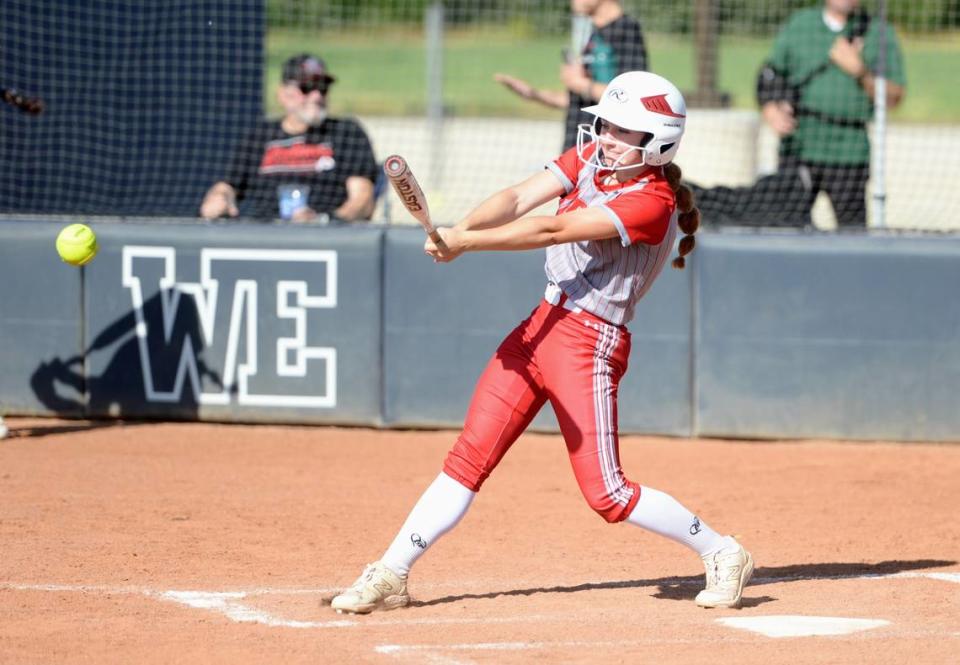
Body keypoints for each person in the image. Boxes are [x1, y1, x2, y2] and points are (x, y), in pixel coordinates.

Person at [330, 71, 753, 615]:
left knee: (608, 494)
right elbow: (517, 197)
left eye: (626, 132)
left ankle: (722, 550)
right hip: (540, 326)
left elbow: (551, 231)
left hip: (588, 344)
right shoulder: (591, 161)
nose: (607, 138)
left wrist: (467, 244)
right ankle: (392, 570)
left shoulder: (651, 202)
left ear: (659, 144)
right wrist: (457, 230)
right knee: (468, 458)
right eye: (607, 125)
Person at [693, 0, 905, 229]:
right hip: (799, 147)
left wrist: (860, 71)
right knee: (783, 226)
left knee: (852, 233)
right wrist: (770, 108)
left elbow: (894, 96)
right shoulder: (801, 25)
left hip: (848, 153)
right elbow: (769, 75)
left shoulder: (878, 32)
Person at [200, 54, 379, 223]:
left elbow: (362, 201)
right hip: (261, 231)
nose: (316, 96)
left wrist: (323, 221)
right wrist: (218, 198)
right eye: (307, 88)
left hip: (324, 235)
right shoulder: (259, 135)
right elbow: (227, 185)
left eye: (323, 88)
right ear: (283, 94)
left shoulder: (346, 132)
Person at [494, 0, 648, 150]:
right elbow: (581, 101)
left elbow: (632, 97)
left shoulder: (626, 30)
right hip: (576, 147)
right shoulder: (592, 31)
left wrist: (579, 83)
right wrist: (534, 94)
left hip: (604, 151)